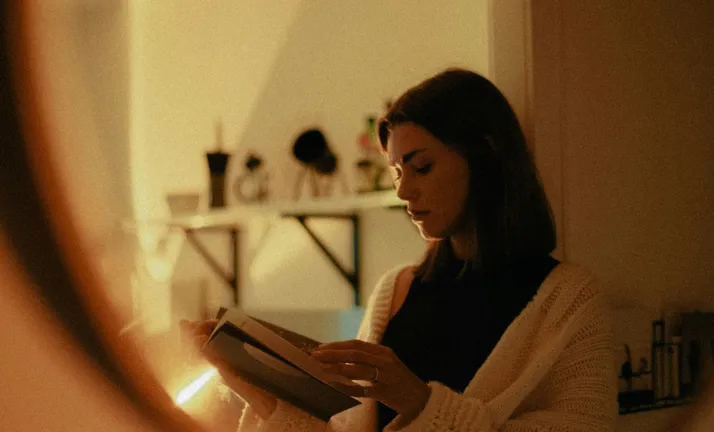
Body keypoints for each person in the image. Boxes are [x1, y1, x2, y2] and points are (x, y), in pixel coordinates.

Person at [183, 68, 617, 431]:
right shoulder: (396, 290)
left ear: (485, 155)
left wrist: (421, 403)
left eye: (421, 166)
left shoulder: (570, 300)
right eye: (395, 172)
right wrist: (249, 379)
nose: (405, 191)